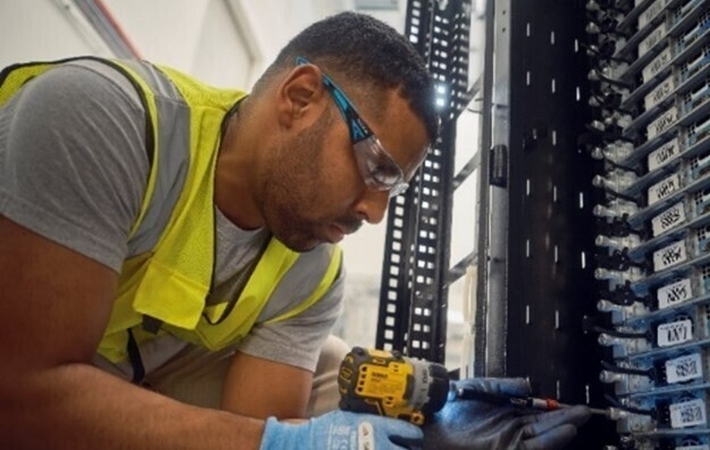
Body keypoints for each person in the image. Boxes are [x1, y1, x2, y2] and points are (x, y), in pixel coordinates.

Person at [0, 11, 589, 449]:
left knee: (338, 377)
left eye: (394, 189)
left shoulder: (311, 265)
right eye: (377, 169)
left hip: (120, 372)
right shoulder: (107, 121)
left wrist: (433, 419)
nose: (375, 212)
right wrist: (282, 443)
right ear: (301, 97)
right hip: (30, 374)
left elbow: (257, 433)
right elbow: (20, 399)